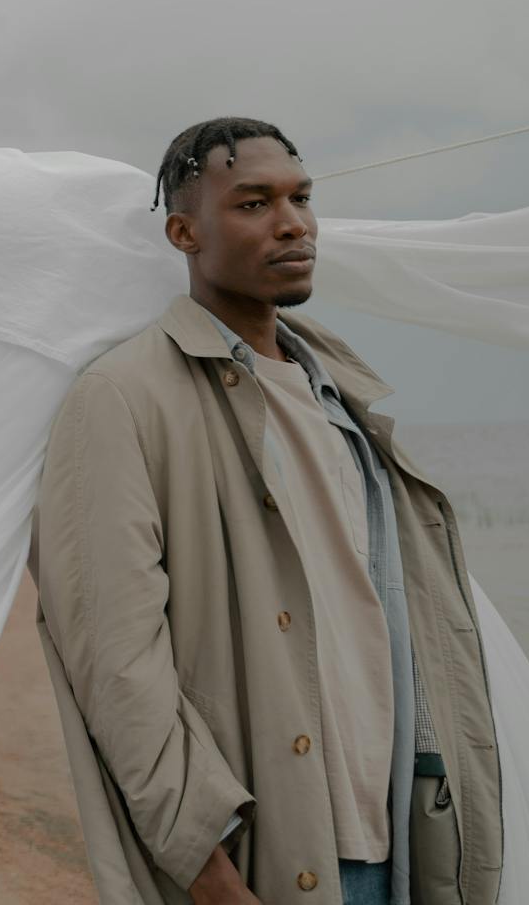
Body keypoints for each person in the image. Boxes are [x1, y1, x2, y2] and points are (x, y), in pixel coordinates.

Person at [33, 118, 501, 905]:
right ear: (185, 232)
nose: (292, 223)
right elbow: (116, 664)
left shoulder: (344, 397)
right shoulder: (124, 398)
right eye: (253, 203)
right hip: (271, 851)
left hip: (404, 833)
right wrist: (207, 870)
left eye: (302, 198)